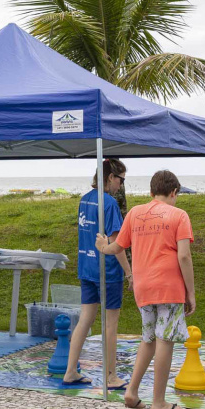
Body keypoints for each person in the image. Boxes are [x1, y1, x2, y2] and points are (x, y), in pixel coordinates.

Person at [95, 170, 195, 409]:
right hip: (169, 287)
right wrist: (190, 293)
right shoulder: (179, 215)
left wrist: (103, 247)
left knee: (148, 339)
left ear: (151, 192)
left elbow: (118, 246)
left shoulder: (135, 213)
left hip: (143, 286)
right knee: (165, 340)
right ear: (174, 192)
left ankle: (132, 392)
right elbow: (184, 256)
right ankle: (159, 402)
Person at [61, 159, 132, 390]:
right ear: (110, 177)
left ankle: (70, 371)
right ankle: (111, 376)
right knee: (110, 324)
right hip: (107, 270)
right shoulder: (109, 203)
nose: (121, 185)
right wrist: (129, 273)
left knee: (85, 319)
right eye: (121, 180)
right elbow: (116, 244)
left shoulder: (84, 200)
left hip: (86, 267)